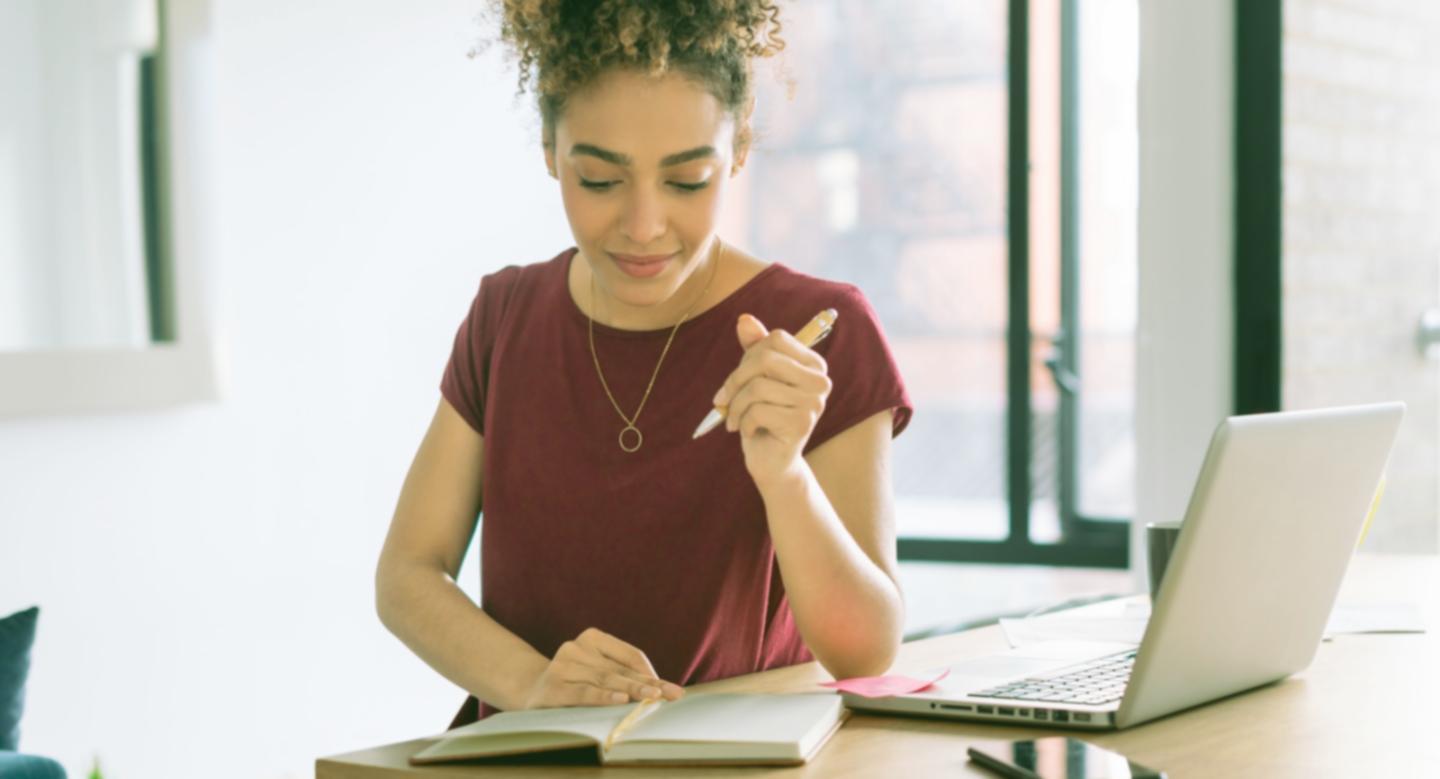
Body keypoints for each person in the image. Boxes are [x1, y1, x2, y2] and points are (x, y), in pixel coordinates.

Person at [375, 0, 914, 728]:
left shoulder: (822, 330)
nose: (643, 226)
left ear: (739, 146)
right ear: (549, 147)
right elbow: (406, 575)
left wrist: (784, 476)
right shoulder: (504, 316)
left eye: (687, 180)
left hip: (730, 765)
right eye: (599, 180)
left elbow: (865, 653)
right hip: (528, 760)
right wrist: (535, 686)